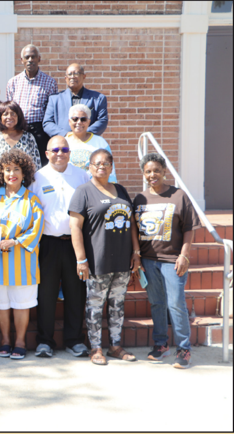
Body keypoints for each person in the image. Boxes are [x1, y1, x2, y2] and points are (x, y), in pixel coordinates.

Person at [69, 149, 141, 366]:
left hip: (122, 259)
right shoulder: (83, 191)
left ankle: (116, 346)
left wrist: (136, 252)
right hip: (97, 260)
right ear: (89, 167)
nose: (101, 166)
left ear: (111, 167)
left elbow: (131, 224)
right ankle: (96, 347)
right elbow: (75, 226)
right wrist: (81, 259)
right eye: (97, 163)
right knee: (95, 305)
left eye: (106, 163)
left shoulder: (120, 190)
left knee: (117, 304)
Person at [134, 153, 200, 369]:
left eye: (156, 170)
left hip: (172, 260)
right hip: (149, 261)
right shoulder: (140, 199)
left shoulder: (179, 195)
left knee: (176, 304)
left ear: (164, 171)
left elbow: (189, 228)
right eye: (148, 171)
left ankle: (184, 349)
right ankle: (161, 345)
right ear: (144, 174)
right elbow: (134, 229)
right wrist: (137, 256)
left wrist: (184, 255)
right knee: (157, 303)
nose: (152, 175)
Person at [29, 136, 90, 358]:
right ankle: (45, 341)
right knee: (46, 294)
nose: (60, 153)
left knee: (76, 292)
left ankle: (74, 340)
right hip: (47, 243)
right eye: (55, 149)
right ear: (47, 153)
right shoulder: (37, 177)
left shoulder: (81, 175)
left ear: (69, 152)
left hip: (76, 244)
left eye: (64, 149)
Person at [0, 149, 44, 360]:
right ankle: (5, 340)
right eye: (8, 169)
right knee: (1, 302)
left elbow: (36, 230)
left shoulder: (32, 199)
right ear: (1, 172)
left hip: (23, 260)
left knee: (21, 303)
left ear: (24, 172)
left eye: (17, 169)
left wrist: (15, 241)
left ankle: (19, 341)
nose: (12, 174)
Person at [6, 45, 58, 167]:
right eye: (27, 57)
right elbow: (9, 109)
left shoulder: (49, 82)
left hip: (40, 131)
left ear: (39, 59)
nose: (30, 60)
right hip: (19, 130)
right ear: (21, 60)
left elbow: (52, 111)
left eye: (33, 57)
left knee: (41, 165)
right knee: (19, 164)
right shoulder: (13, 82)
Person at [43, 63, 108, 138]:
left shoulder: (98, 98)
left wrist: (83, 134)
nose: (72, 77)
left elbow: (102, 121)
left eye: (76, 73)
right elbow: (47, 123)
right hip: (63, 143)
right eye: (69, 74)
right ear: (65, 78)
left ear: (84, 76)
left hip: (88, 143)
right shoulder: (54, 99)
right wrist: (66, 134)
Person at [65, 104, 117, 183]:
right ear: (69, 121)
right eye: (75, 119)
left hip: (94, 189)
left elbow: (110, 169)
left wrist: (112, 187)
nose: (79, 122)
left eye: (83, 119)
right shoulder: (64, 143)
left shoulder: (100, 143)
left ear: (89, 122)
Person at [0, 101, 42, 171]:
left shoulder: (28, 137)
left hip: (25, 181)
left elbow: (36, 164)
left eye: (13, 114)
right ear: (0, 117)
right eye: (5, 114)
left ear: (19, 116)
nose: (9, 117)